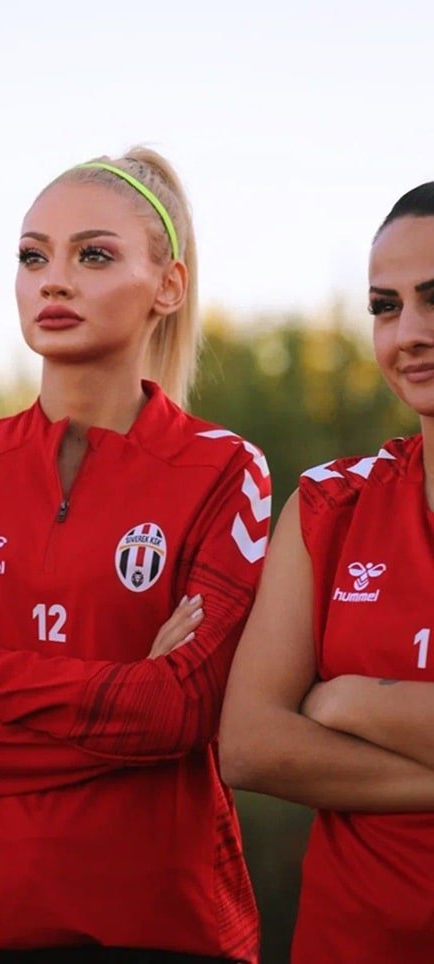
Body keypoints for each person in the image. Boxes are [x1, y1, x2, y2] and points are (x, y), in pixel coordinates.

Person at [0, 148, 271, 963]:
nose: (54, 282)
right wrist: (125, 692)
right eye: (32, 256)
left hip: (164, 931)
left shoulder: (225, 469)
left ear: (168, 286)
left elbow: (179, 711)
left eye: (94, 256)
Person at [218, 183, 434, 962]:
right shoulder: (328, 506)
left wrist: (347, 701)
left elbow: (294, 728)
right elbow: (248, 744)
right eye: (385, 306)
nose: (409, 333)